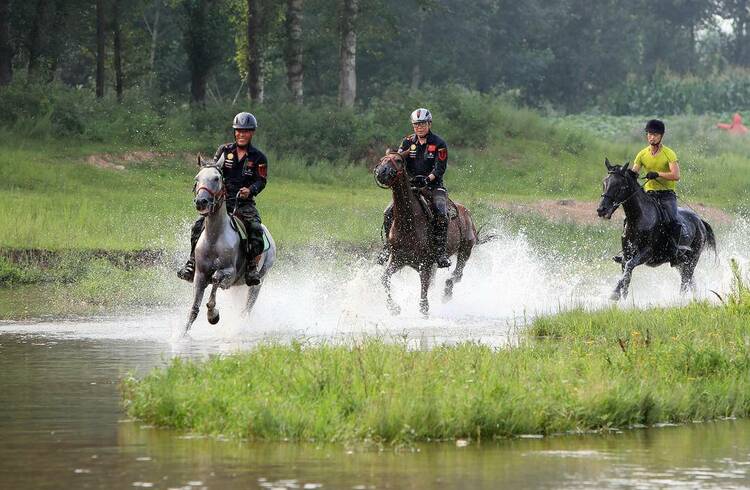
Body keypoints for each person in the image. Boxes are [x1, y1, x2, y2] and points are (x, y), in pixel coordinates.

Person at [177, 112, 268, 286]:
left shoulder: (259, 157)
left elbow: (261, 180)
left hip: (244, 203)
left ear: (252, 133)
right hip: (221, 201)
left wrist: (250, 190)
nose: (242, 134)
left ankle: (251, 267)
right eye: (238, 131)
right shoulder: (224, 151)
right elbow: (213, 171)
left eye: (246, 131)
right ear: (235, 132)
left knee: (255, 229)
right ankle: (191, 263)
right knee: (197, 226)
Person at [377, 107, 451, 268]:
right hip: (410, 187)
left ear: (429, 124)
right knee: (388, 212)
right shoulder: (407, 142)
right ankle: (387, 248)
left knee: (441, 212)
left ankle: (440, 252)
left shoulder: (439, 143)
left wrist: (427, 179)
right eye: (416, 124)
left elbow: (440, 169)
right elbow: (399, 160)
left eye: (423, 124)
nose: (419, 127)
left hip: (433, 186)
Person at [632, 118, 691, 259]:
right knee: (631, 218)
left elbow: (676, 175)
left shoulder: (669, 154)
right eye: (649, 134)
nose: (651, 137)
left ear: (661, 136)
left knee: (672, 219)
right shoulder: (642, 154)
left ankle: (676, 250)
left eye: (655, 135)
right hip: (649, 195)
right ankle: (628, 250)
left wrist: (658, 174)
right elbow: (633, 173)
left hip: (666, 196)